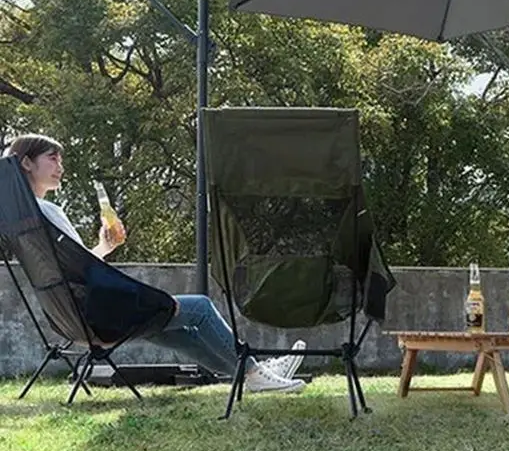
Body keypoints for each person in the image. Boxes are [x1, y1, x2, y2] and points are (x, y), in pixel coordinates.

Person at [4, 133, 306, 394]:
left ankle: (252, 371)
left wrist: (104, 247)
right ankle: (254, 373)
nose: (60, 167)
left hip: (71, 319)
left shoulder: (26, 219)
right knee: (199, 308)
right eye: (52, 158)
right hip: (99, 316)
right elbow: (85, 271)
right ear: (27, 163)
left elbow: (73, 270)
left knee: (172, 332)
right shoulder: (49, 212)